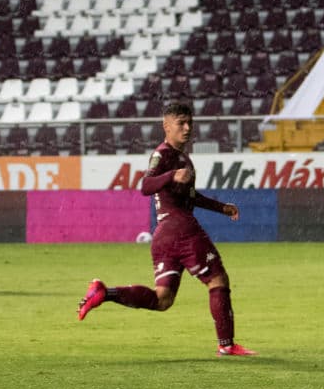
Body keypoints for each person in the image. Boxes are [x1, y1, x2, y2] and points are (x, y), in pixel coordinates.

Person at [77, 101, 256, 357]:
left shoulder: (183, 158)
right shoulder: (164, 154)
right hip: (182, 228)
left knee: (162, 299)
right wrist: (171, 175)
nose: (187, 128)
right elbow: (146, 185)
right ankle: (226, 344)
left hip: (164, 235)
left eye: (189, 123)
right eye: (181, 123)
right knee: (217, 279)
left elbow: (191, 197)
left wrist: (221, 208)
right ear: (166, 126)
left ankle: (105, 293)